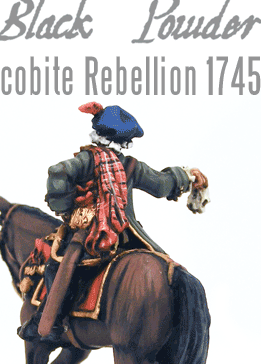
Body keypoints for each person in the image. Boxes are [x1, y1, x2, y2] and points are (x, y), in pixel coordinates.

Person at [19, 102, 209, 342]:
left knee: (56, 266)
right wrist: (186, 175)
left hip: (91, 234)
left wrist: (65, 208)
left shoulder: (87, 159)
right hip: (127, 235)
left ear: (97, 134)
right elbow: (161, 184)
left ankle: (50, 322)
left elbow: (58, 171)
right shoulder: (131, 166)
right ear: (124, 142)